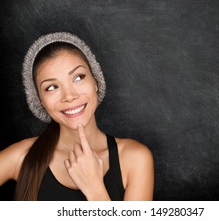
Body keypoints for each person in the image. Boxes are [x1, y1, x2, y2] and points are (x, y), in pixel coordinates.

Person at [0, 32, 154, 201]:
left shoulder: (135, 158)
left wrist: (94, 188)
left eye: (78, 77)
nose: (69, 96)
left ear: (96, 82)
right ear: (40, 101)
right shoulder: (22, 156)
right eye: (52, 87)